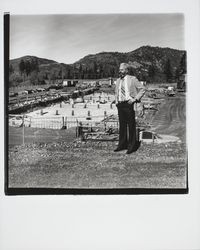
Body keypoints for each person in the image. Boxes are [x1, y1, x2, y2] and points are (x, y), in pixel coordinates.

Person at [114, 63, 146, 154]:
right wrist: (116, 101)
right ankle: (122, 145)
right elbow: (117, 92)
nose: (120, 71)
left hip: (129, 104)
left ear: (127, 70)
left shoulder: (132, 79)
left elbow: (142, 89)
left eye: (122, 69)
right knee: (122, 126)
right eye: (119, 69)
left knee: (131, 126)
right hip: (120, 105)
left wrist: (135, 99)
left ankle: (132, 146)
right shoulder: (118, 80)